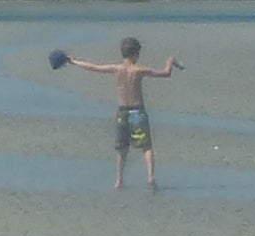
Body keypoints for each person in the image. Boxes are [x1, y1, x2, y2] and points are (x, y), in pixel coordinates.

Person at [55, 33, 183, 190]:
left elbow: (94, 67)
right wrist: (170, 62)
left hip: (122, 113)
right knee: (146, 147)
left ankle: (119, 180)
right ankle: (150, 176)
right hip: (137, 112)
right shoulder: (139, 70)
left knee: (122, 149)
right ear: (136, 54)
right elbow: (166, 73)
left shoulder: (116, 69)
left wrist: (73, 61)